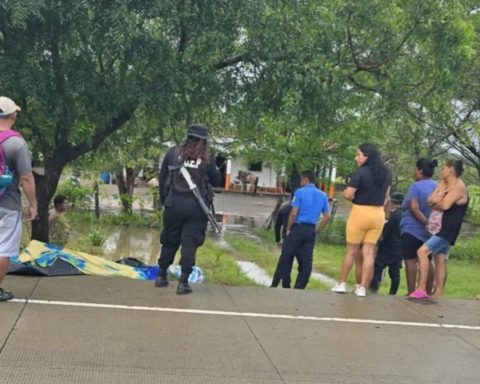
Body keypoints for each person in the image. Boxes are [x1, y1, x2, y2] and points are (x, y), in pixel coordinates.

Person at [155, 124, 221, 295]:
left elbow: (162, 180)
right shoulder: (207, 159)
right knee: (189, 244)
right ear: (203, 141)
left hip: (173, 205)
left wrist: (166, 202)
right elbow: (217, 181)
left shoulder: (173, 153)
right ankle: (183, 282)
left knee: (170, 239)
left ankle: (161, 275)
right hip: (196, 208)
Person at [331, 143, 391, 297]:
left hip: (360, 212)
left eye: (359, 154)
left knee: (351, 251)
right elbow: (386, 197)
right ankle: (362, 287)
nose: (356, 157)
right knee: (369, 252)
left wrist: (347, 193)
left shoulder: (360, 173)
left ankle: (342, 283)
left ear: (367, 156)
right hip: (378, 214)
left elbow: (348, 195)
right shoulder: (386, 174)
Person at [410, 160, 468, 299]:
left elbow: (445, 206)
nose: (441, 170)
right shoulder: (442, 184)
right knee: (439, 258)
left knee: (422, 251)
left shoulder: (459, 186)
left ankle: (422, 288)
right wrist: (437, 200)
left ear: (451, 169)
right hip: (437, 226)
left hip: (448, 229)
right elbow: (429, 200)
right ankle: (438, 293)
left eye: (444, 168)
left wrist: (437, 200)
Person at [0, 96, 37, 302]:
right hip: (7, 203)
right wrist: (33, 204)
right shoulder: (16, 143)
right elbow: (26, 177)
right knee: (3, 248)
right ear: (13, 115)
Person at [271, 170, 331, 289]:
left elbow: (293, 213)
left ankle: (277, 285)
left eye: (301, 180)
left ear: (305, 179)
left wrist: (288, 228)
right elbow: (327, 216)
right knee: (306, 263)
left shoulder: (300, 192)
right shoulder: (323, 195)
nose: (301, 182)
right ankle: (300, 287)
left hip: (297, 228)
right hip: (310, 230)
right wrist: (318, 231)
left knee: (285, 257)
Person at [400, 158, 437, 295]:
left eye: (415, 169)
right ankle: (427, 291)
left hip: (412, 229)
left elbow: (414, 208)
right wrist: (431, 225)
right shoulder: (436, 186)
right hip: (429, 233)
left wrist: (426, 223)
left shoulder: (415, 186)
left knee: (410, 260)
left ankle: (412, 291)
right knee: (427, 259)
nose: (414, 172)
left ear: (420, 170)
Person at [370, 192, 404, 295]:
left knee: (377, 267)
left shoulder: (392, 216)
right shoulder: (405, 215)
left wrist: (378, 244)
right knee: (395, 272)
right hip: (401, 248)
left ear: (392, 202)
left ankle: (373, 289)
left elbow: (385, 233)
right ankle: (393, 293)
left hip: (388, 247)